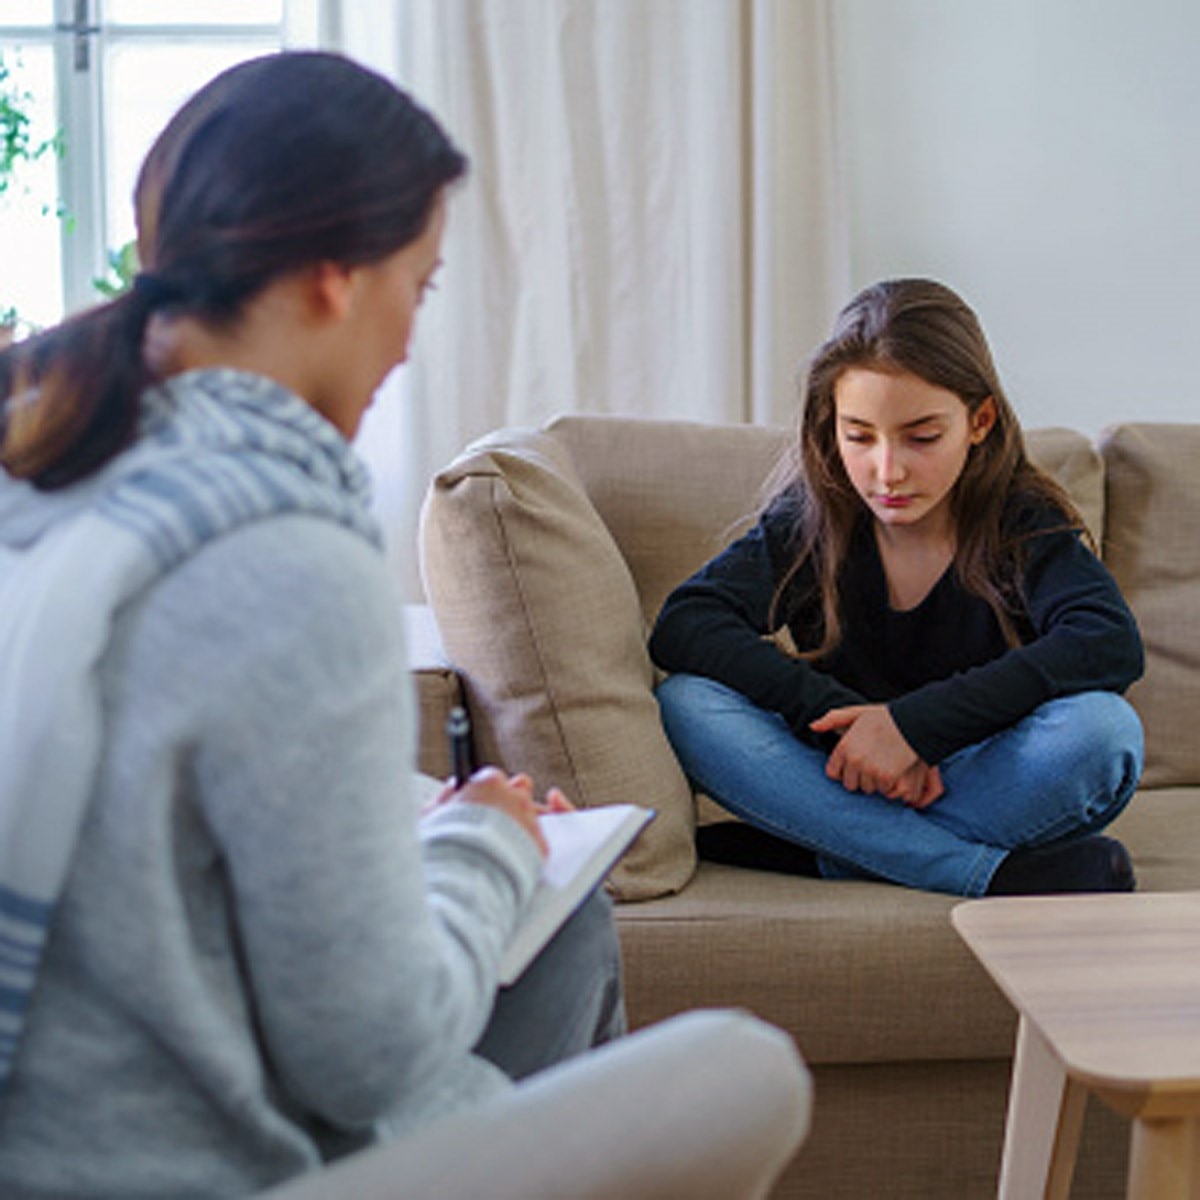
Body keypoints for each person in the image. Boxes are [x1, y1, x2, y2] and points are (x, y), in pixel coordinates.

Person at [0, 51, 624, 1197]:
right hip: (170, 1164)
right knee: (610, 957)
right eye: (419, 287)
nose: (405, 341)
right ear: (336, 276)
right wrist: (484, 844)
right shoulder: (288, 561)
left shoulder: (47, 477)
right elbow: (368, 1053)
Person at [650, 278, 1145, 898]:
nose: (887, 472)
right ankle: (981, 874)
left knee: (1103, 732)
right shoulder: (814, 517)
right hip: (837, 771)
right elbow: (688, 621)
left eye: (921, 437)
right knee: (687, 705)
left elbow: (1108, 642)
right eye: (859, 436)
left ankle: (829, 847)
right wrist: (843, 728)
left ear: (979, 421)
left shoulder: (1020, 518)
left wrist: (913, 729)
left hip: (977, 775)